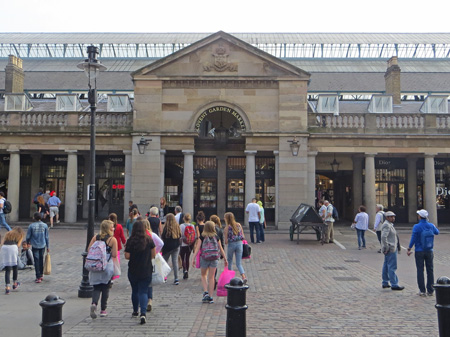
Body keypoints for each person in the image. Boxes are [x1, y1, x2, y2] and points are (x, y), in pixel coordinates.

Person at [125, 220, 156, 325]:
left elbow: (127, 256)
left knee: (135, 291)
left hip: (133, 269)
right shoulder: (148, 240)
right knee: (143, 291)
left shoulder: (130, 241)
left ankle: (135, 311)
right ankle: (143, 313)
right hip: (146, 269)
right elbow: (153, 254)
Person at [191, 220, 228, 304]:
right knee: (211, 277)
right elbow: (221, 248)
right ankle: (211, 297)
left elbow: (197, 248)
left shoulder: (202, 236)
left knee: (204, 275)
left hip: (204, 258)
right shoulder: (216, 236)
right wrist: (225, 258)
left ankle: (205, 292)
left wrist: (193, 258)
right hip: (214, 258)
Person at [88, 220, 118, 319]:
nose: (114, 228)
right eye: (112, 227)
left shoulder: (95, 237)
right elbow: (114, 254)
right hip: (106, 266)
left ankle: (94, 303)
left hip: (95, 265)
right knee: (105, 287)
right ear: (109, 228)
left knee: (96, 287)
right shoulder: (112, 240)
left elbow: (89, 250)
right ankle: (103, 310)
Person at [407, 209, 439, 296]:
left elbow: (413, 238)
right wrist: (433, 226)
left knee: (420, 270)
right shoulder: (430, 225)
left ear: (420, 217)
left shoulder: (416, 226)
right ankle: (430, 290)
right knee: (430, 270)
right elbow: (437, 232)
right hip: (429, 250)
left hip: (419, 250)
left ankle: (422, 290)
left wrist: (409, 248)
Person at [142, 218, 163, 312]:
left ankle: (142, 300)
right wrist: (155, 252)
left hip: (140, 259)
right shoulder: (152, 235)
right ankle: (149, 300)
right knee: (149, 280)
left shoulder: (139, 235)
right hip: (150, 259)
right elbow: (161, 243)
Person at [381, 211, 404, 291]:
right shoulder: (387, 225)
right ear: (387, 217)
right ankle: (394, 283)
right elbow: (384, 237)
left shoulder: (389, 225)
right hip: (391, 248)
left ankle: (385, 282)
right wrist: (387, 247)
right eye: (391, 217)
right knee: (392, 266)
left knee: (386, 264)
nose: (393, 218)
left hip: (391, 247)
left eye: (393, 216)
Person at [223, 212, 247, 283]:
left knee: (230, 261)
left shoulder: (227, 228)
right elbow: (243, 236)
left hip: (231, 244)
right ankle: (243, 276)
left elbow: (226, 241)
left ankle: (230, 278)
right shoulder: (238, 225)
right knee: (238, 263)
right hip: (239, 243)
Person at [26, 212, 50, 283]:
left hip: (35, 245)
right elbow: (47, 237)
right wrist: (48, 246)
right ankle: (41, 274)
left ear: (34, 217)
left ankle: (38, 276)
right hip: (42, 244)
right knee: (41, 259)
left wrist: (28, 242)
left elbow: (28, 236)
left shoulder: (31, 226)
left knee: (36, 260)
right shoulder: (45, 225)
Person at [1, 227, 24, 294]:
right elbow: (18, 245)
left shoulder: (8, 233)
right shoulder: (20, 235)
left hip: (4, 248)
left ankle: (7, 287)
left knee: (7, 268)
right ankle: (15, 283)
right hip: (13, 247)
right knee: (15, 266)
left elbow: (2, 243)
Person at [161, 213, 181, 285]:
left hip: (167, 247)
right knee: (174, 262)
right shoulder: (177, 226)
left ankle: (164, 277)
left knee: (164, 262)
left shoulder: (166, 228)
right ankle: (176, 278)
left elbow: (163, 237)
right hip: (176, 246)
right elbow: (180, 235)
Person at [109, 213, 126, 281]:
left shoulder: (109, 226)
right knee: (116, 260)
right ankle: (114, 275)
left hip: (109, 244)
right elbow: (122, 236)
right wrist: (125, 243)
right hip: (117, 246)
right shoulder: (119, 226)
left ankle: (110, 274)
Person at [179, 213, 195, 280]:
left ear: (183, 218)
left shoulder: (181, 226)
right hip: (190, 244)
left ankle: (184, 269)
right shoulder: (192, 225)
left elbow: (180, 235)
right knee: (187, 258)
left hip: (183, 243)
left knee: (182, 258)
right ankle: (187, 271)